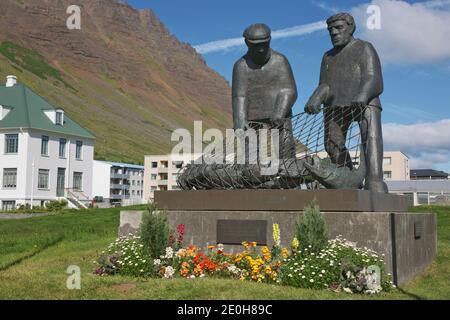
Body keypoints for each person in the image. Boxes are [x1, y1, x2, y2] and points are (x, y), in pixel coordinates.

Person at [304, 13, 388, 193]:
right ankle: (349, 178)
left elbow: (375, 79)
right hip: (336, 105)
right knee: (331, 144)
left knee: (370, 138)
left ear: (350, 28)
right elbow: (325, 85)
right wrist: (315, 98)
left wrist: (362, 95)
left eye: (338, 28)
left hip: (364, 102)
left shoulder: (364, 48)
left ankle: (374, 180)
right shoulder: (327, 56)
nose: (333, 33)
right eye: (330, 30)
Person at [232, 23, 298, 160]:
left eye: (264, 44)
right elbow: (239, 96)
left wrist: (280, 111)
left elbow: (289, 90)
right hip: (251, 118)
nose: (261, 49)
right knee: (249, 156)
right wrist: (239, 119)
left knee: (285, 149)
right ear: (246, 43)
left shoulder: (280, 60)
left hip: (279, 115)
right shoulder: (240, 66)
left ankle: (288, 178)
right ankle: (254, 178)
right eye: (256, 45)